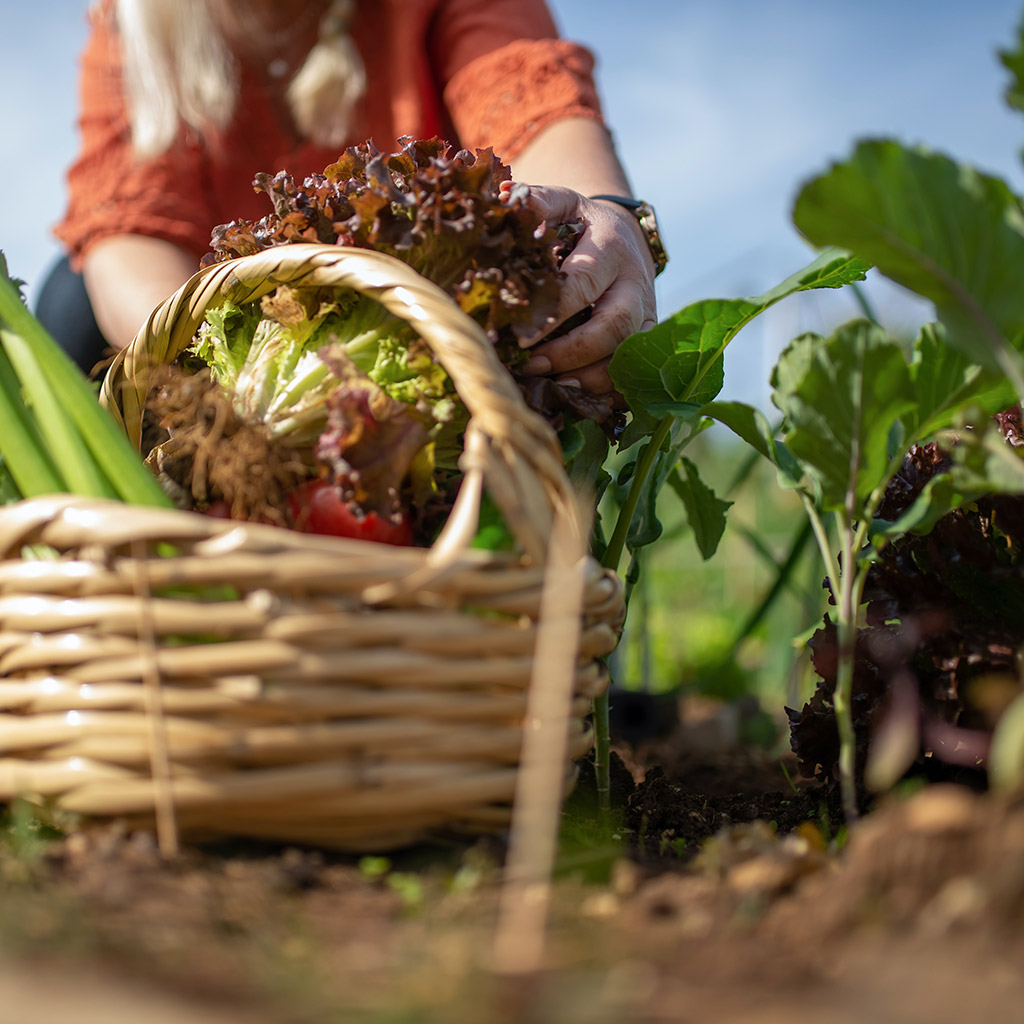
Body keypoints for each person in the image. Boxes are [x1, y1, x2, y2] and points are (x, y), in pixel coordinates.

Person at [39, 0, 666, 395]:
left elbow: (535, 108)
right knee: (70, 303)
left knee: (557, 321)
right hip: (239, 366)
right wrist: (262, 393)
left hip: (430, 349)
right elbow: (129, 238)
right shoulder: (133, 23)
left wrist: (603, 215)